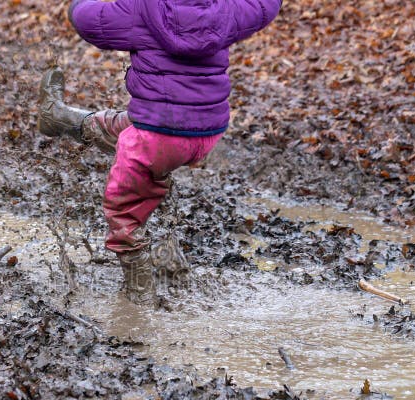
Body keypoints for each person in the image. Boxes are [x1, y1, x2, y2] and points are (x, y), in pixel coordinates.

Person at [38, 0, 283, 304]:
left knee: (123, 208)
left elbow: (89, 20)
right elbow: (264, 7)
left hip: (159, 134)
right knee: (131, 133)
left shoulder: (141, 9)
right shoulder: (226, 9)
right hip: (205, 133)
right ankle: (58, 117)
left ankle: (138, 298)